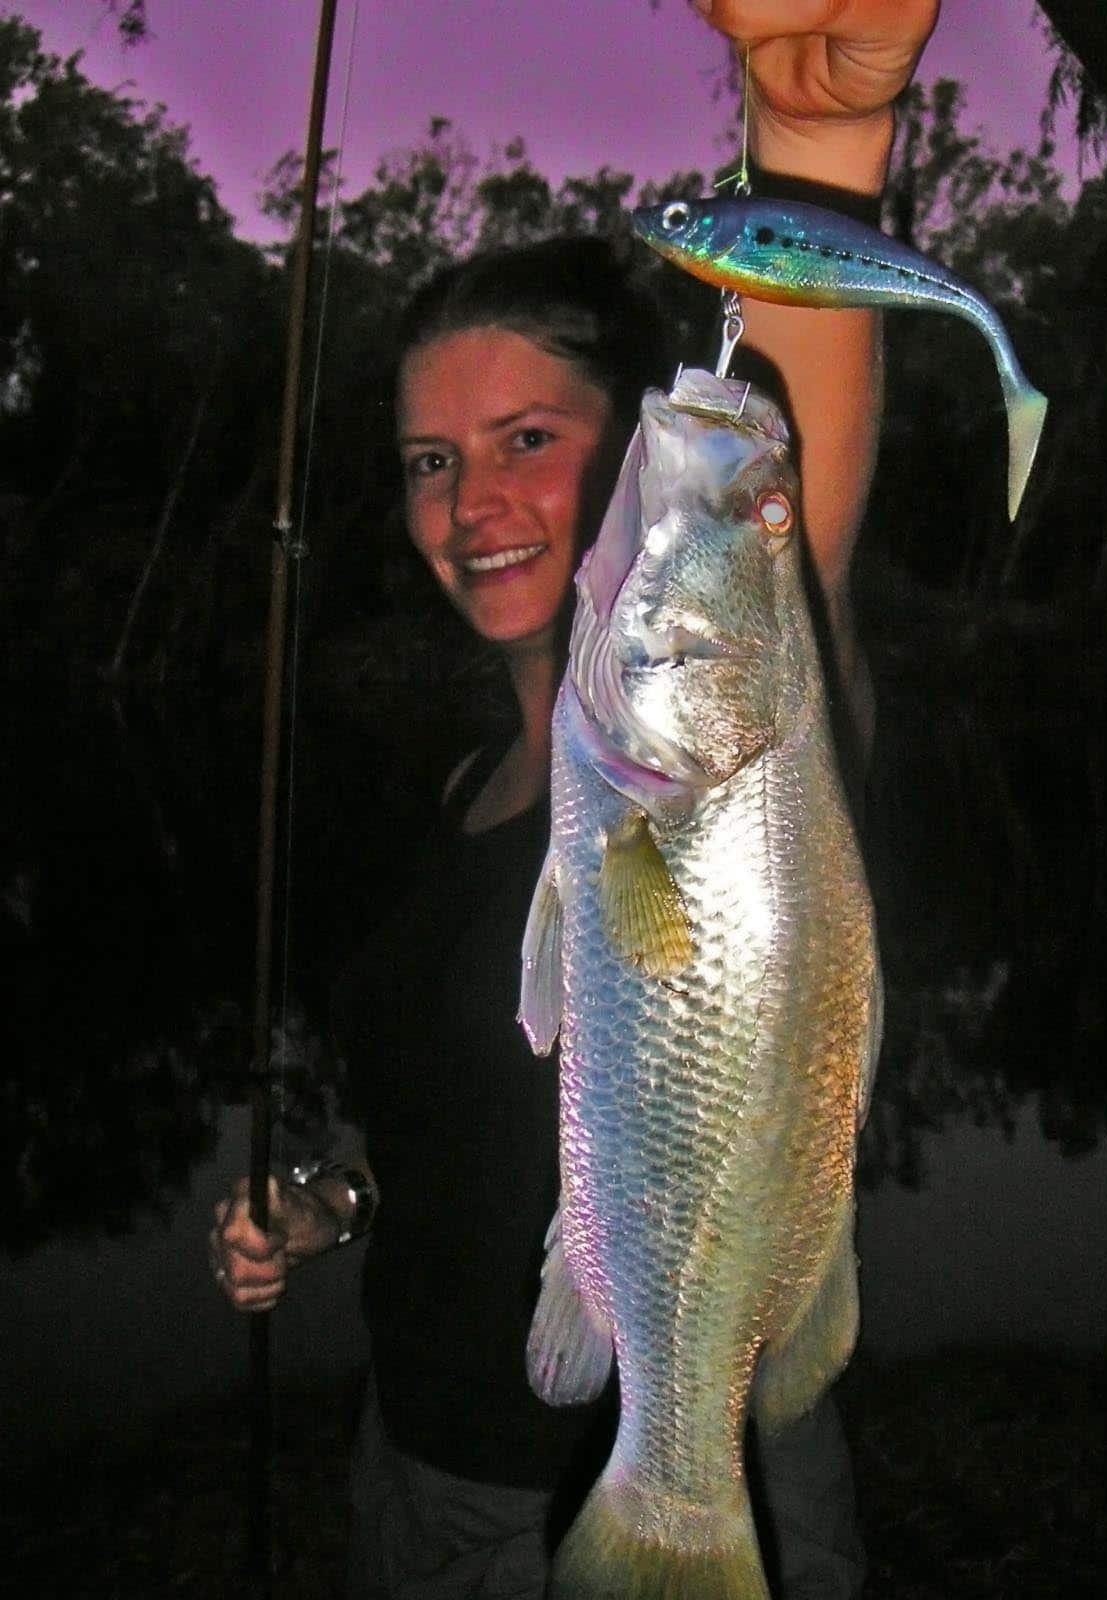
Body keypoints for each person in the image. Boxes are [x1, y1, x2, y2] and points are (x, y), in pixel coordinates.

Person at [210, 3, 941, 1595]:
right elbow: (477, 1111)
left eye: (527, 440)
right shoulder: (471, 789)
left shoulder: (748, 725)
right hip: (419, 1476)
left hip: (677, 1460)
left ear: (628, 456)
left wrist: (816, 141)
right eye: (426, 460)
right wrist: (328, 1201)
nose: (471, 504)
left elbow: (780, 517)